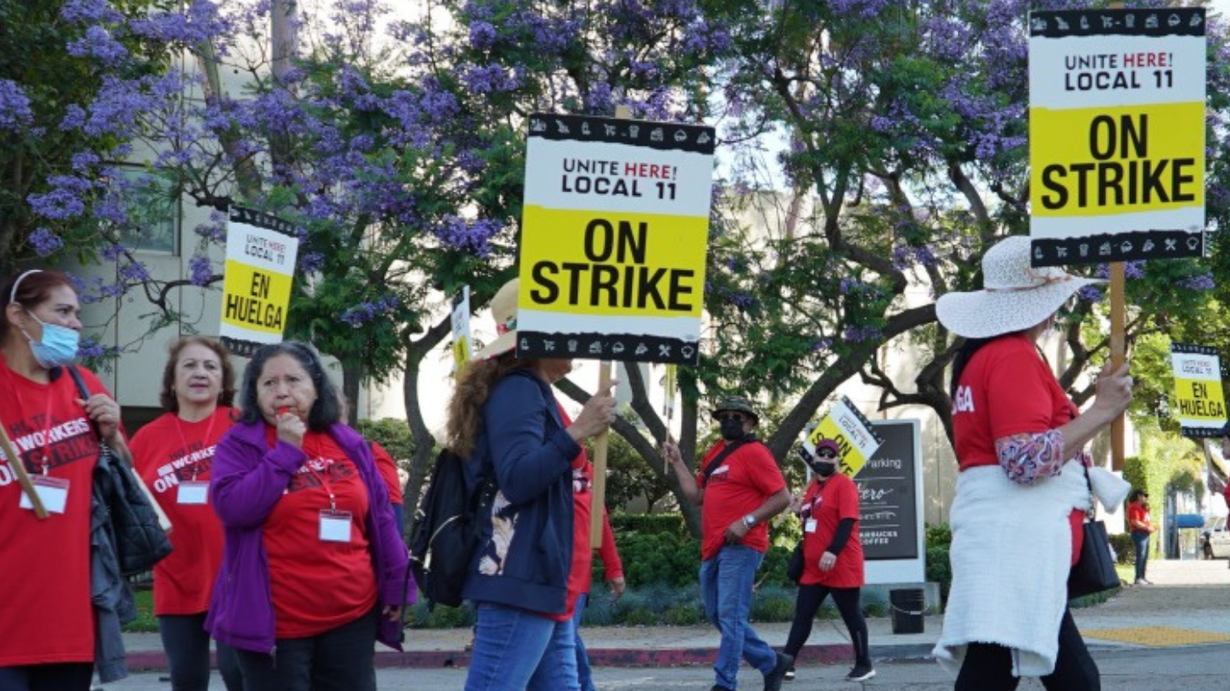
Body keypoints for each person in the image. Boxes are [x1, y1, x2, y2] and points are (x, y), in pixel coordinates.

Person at [931, 235, 1133, 690]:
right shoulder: (1012, 356)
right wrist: (1102, 410)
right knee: (1054, 679)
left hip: (1006, 543)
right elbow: (1022, 461)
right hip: (1017, 546)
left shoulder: (984, 356)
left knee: (1044, 676)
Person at [205, 341, 413, 691]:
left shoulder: (347, 441)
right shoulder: (239, 444)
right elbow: (234, 509)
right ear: (254, 393)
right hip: (278, 626)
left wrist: (397, 586)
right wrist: (285, 452)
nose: (282, 392)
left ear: (316, 388)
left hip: (352, 616)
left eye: (293, 380)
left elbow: (381, 518)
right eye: (269, 383)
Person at [449, 278, 618, 691]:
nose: (576, 339)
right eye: (566, 327)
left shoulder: (528, 390)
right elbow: (519, 479)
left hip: (535, 577)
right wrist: (577, 431)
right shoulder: (519, 390)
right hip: (519, 576)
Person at [0, 269, 132, 690]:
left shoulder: (84, 385)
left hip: (69, 621)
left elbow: (127, 479)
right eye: (63, 311)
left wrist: (113, 435)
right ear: (17, 315)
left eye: (77, 314)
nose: (75, 324)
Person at [130, 337, 243, 691]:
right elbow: (133, 502)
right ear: (172, 380)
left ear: (223, 382)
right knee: (186, 679)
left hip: (237, 576)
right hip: (176, 577)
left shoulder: (244, 427)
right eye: (189, 365)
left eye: (211, 366)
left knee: (239, 674)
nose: (200, 373)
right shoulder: (146, 438)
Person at [664, 396, 793, 691]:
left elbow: (782, 497)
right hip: (714, 547)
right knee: (718, 614)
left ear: (750, 423)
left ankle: (725, 683)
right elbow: (696, 496)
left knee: (731, 616)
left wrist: (747, 521)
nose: (730, 421)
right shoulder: (715, 453)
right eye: (725, 417)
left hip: (742, 546)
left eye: (737, 417)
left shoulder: (755, 453)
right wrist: (678, 462)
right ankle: (772, 663)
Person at [782, 438, 873, 682]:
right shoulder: (813, 487)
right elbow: (813, 520)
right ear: (813, 458)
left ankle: (864, 664)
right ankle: (787, 663)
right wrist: (797, 510)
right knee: (803, 614)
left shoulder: (844, 485)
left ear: (837, 459)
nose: (824, 459)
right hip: (814, 568)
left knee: (851, 614)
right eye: (820, 454)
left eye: (830, 455)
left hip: (841, 563)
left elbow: (847, 521)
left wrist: (832, 551)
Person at [571, 462, 625, 691]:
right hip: (542, 571)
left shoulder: (587, 469)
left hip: (575, 574)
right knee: (561, 638)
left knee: (564, 637)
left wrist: (614, 569)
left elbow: (599, 520)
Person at [1126, 490, 1156, 585]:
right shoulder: (1134, 507)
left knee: (1144, 555)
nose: (1146, 498)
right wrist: (1147, 527)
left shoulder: (1142, 507)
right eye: (1144, 496)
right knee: (1141, 555)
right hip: (1138, 533)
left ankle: (1142, 577)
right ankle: (1138, 577)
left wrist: (1150, 527)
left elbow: (1145, 519)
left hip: (1145, 533)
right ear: (1139, 496)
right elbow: (1135, 521)